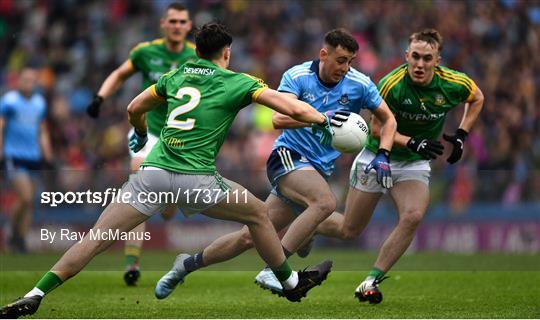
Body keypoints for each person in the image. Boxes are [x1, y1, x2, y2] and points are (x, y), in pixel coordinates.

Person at [0, 22, 337, 318]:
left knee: (96, 239)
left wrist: (143, 133)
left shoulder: (176, 75)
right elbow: (288, 106)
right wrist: (321, 119)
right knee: (259, 216)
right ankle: (291, 283)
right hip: (197, 179)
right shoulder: (239, 82)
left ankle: (36, 294)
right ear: (227, 53)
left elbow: (134, 108)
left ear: (198, 50)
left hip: (152, 175)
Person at [153, 28, 397, 300]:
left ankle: (185, 265)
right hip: (287, 157)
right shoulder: (297, 76)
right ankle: (275, 270)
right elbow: (278, 119)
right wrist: (321, 116)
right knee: (325, 203)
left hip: (317, 169)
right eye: (341, 60)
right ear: (323, 54)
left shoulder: (359, 83)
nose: (346, 67)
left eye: (351, 61)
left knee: (249, 236)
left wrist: (383, 154)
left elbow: (388, 119)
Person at [261, 28, 485, 304]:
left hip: (414, 164)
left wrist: (462, 134)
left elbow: (477, 98)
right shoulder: (391, 83)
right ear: (407, 56)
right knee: (348, 230)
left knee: (413, 216)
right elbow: (378, 128)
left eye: (427, 58)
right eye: (415, 57)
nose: (420, 64)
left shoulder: (454, 82)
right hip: (375, 156)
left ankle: (370, 280)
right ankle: (311, 224)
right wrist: (400, 146)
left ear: (438, 60)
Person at [85, 2, 197, 285]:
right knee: (140, 182)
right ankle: (132, 262)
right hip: (147, 131)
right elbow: (120, 74)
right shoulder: (146, 52)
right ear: (163, 24)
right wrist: (100, 98)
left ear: (188, 26)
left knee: (170, 211)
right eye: (172, 21)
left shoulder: (196, 56)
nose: (177, 26)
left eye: (182, 22)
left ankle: (168, 198)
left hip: (180, 137)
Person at [0, 66, 53, 253]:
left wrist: (48, 153)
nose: (28, 83)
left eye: (32, 80)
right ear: (19, 81)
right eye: (25, 79)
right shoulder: (9, 101)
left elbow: (42, 130)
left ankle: (20, 240)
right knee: (26, 197)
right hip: (14, 155)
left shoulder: (39, 103)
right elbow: (1, 126)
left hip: (33, 157)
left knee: (29, 202)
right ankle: (12, 232)